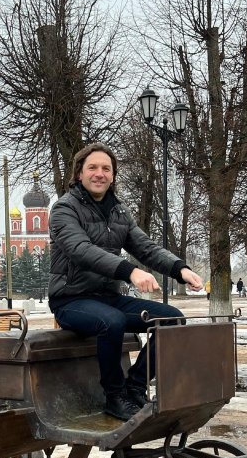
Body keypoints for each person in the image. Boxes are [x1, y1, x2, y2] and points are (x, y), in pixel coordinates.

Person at [48, 142, 204, 421]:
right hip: (71, 299)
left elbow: (145, 247)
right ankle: (114, 396)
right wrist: (129, 271)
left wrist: (180, 268)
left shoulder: (119, 212)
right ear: (79, 174)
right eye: (92, 167)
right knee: (112, 322)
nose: (100, 173)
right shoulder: (63, 210)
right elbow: (81, 250)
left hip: (108, 297)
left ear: (113, 175)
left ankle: (135, 386)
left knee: (172, 321)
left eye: (106, 168)